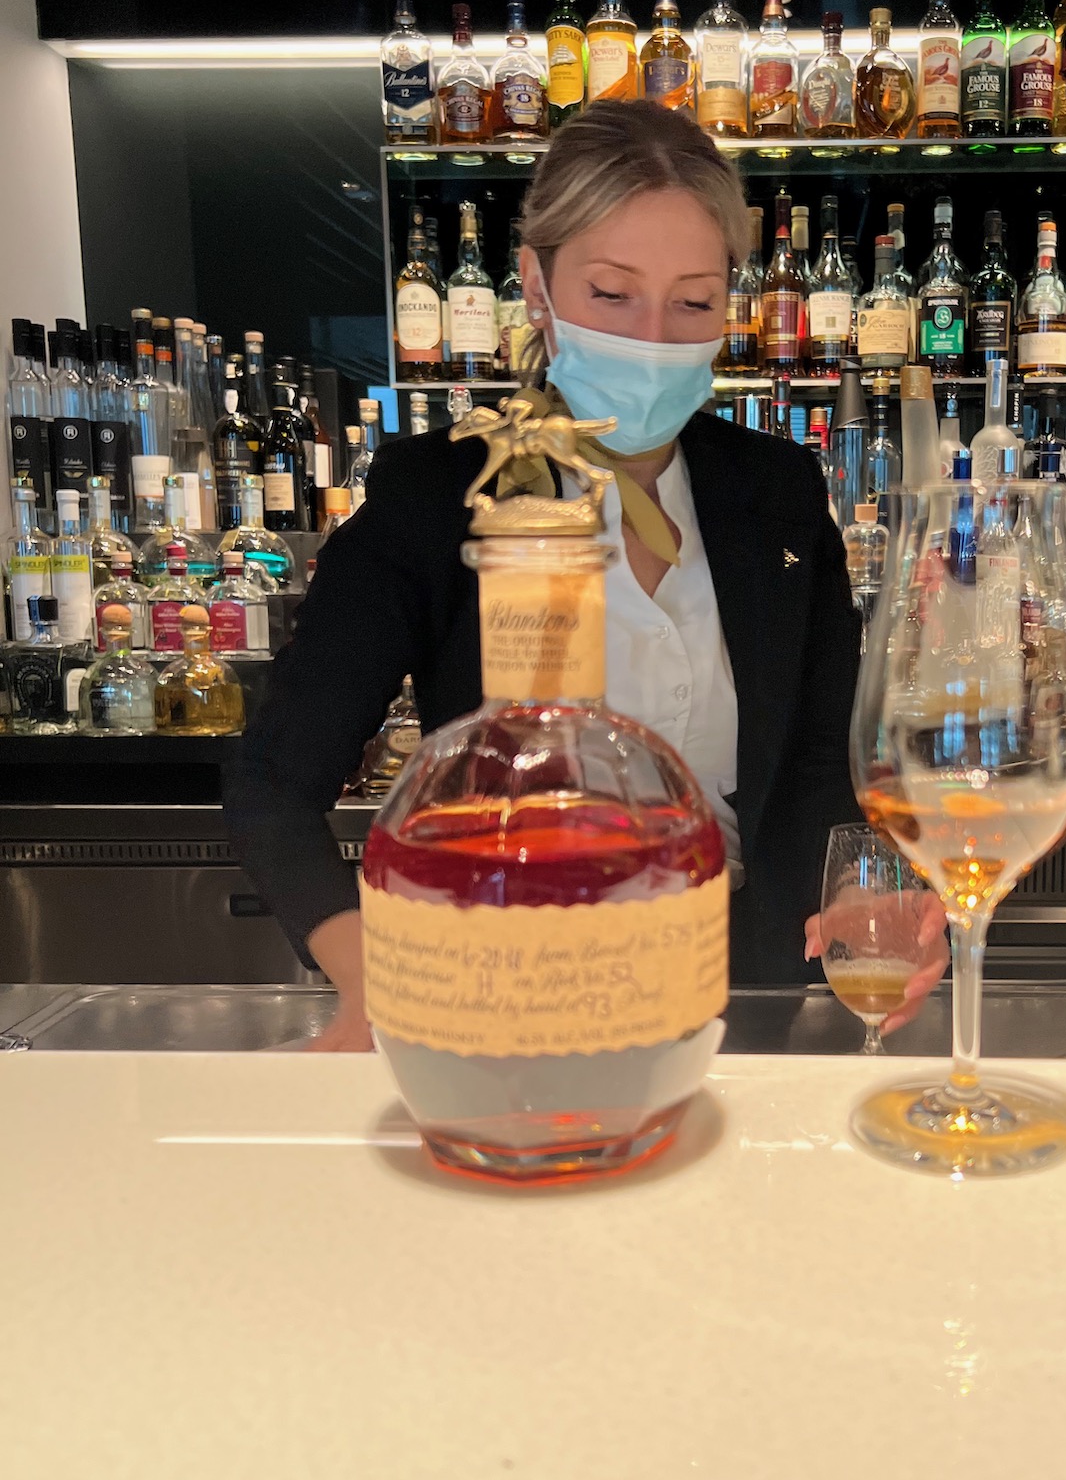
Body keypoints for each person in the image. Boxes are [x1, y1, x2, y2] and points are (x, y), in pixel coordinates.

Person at [226, 100, 943, 1052]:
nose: (654, 337)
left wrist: (858, 894)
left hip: (752, 991)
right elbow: (275, 780)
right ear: (536, 285)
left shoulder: (771, 488)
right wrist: (371, 974)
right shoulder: (441, 493)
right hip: (513, 996)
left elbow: (816, 763)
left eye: (692, 303)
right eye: (611, 295)